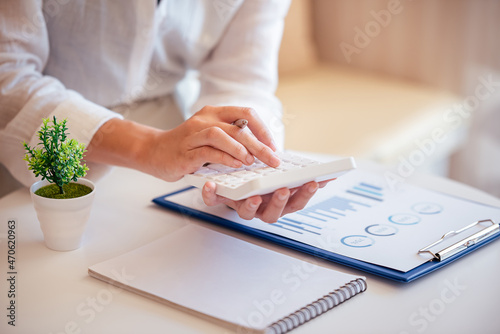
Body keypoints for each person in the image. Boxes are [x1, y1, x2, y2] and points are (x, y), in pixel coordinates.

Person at [0, 0, 329, 223]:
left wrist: (241, 167)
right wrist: (149, 147)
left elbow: (242, 80)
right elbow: (8, 80)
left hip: (178, 158)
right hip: (34, 150)